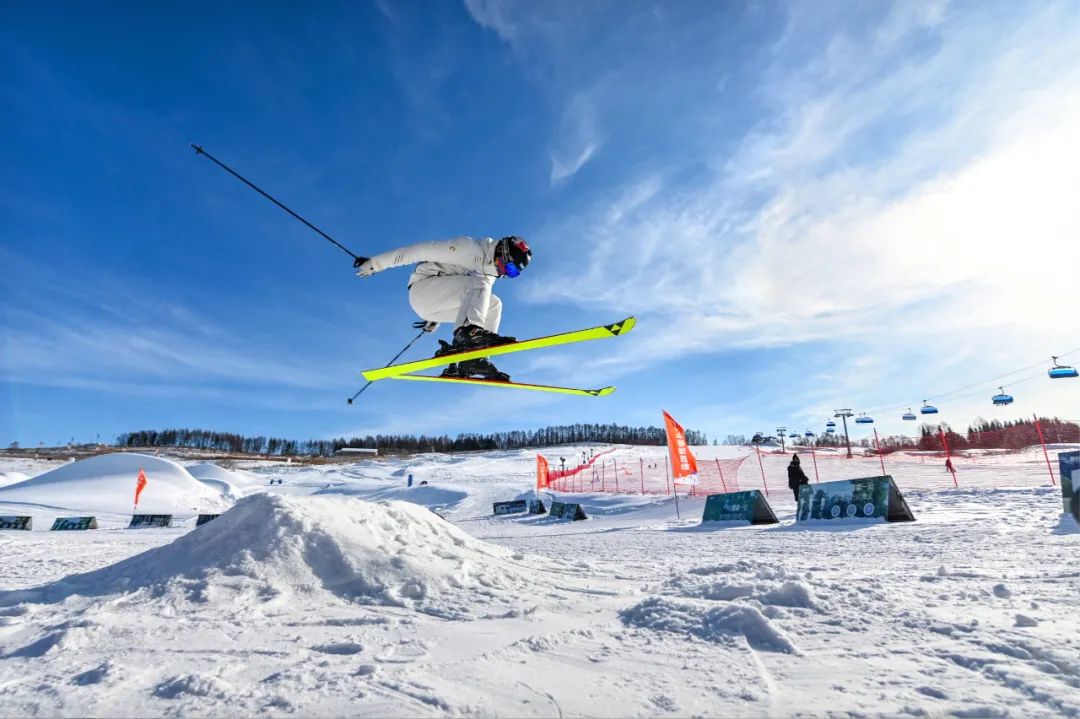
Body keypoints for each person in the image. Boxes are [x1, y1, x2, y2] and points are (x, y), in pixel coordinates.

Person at [356, 235, 532, 381]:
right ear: (502, 251)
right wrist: (375, 263)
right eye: (508, 267)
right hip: (422, 290)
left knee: (493, 304)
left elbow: (466, 297)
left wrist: (435, 317)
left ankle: (474, 359)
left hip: (435, 304)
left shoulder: (490, 271)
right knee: (479, 282)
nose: (504, 273)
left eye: (512, 273)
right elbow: (417, 251)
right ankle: (469, 334)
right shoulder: (467, 249)